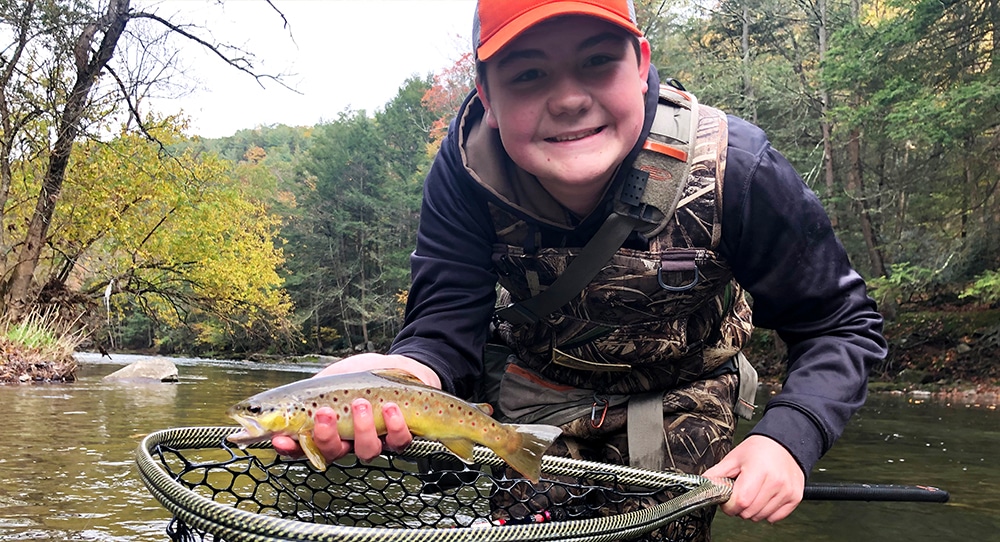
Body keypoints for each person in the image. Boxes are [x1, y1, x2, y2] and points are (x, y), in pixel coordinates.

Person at [272, 0, 887, 538]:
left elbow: (840, 324)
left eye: (597, 61)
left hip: (685, 395)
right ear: (486, 97)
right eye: (529, 73)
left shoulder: (740, 167)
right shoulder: (463, 172)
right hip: (532, 396)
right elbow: (441, 335)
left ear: (642, 65)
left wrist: (789, 437)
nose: (567, 98)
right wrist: (389, 375)